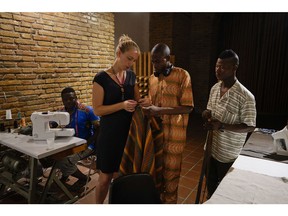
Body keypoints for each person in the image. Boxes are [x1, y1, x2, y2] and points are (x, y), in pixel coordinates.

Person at [138, 43, 194, 204]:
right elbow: (153, 102)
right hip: (156, 135)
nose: (154, 65)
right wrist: (145, 104)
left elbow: (188, 107)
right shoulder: (152, 79)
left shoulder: (183, 75)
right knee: (156, 174)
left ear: (168, 59)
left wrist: (159, 111)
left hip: (175, 137)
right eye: (152, 61)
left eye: (158, 61)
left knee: (171, 176)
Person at [92, 35, 141, 204]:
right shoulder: (101, 78)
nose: (130, 64)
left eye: (134, 61)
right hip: (110, 135)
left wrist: (144, 101)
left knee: (121, 177)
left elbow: (138, 101)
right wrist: (122, 105)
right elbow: (98, 109)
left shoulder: (132, 77)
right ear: (119, 53)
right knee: (105, 178)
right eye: (129, 59)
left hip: (128, 135)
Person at [202, 49, 257, 199]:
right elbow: (210, 109)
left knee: (226, 192)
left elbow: (250, 126)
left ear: (234, 68)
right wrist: (207, 114)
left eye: (223, 67)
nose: (218, 70)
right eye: (217, 66)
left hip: (228, 154)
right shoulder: (215, 88)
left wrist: (222, 126)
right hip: (211, 148)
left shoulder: (246, 96)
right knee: (211, 186)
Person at [54, 87, 100, 191]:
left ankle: (83, 178)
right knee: (51, 156)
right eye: (65, 100)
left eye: (71, 99)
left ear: (76, 97)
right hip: (68, 144)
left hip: (86, 144)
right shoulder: (60, 112)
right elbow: (52, 124)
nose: (68, 102)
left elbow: (99, 129)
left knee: (65, 160)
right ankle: (66, 173)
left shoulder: (87, 110)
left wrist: (87, 144)